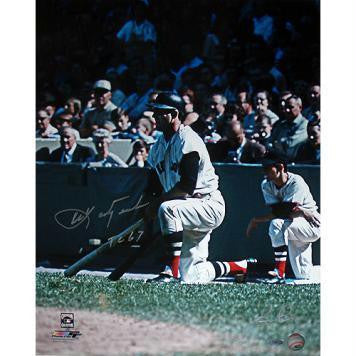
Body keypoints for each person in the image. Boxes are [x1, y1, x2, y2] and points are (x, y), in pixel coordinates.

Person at [144, 92, 254, 283]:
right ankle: (238, 266)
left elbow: (187, 185)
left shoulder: (188, 139)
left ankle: (171, 270)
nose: (155, 117)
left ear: (174, 114)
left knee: (167, 208)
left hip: (207, 204)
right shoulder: (158, 146)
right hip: (186, 209)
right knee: (192, 277)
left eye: (160, 112)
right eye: (155, 112)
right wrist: (148, 208)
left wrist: (158, 205)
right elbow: (153, 186)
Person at [246, 151, 320, 283]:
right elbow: (280, 210)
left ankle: (279, 273)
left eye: (268, 168)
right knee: (304, 276)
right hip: (292, 225)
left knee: (276, 224)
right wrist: (299, 211)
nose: (264, 171)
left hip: (311, 225)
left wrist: (258, 219)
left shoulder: (296, 181)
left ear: (280, 167)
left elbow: (285, 211)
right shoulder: (266, 184)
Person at [270, 95, 308, 160]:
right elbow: (270, 142)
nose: (287, 110)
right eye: (286, 107)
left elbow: (291, 144)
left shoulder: (305, 124)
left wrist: (278, 143)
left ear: (300, 107)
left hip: (296, 163)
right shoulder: (281, 124)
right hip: (279, 161)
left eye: (291, 107)